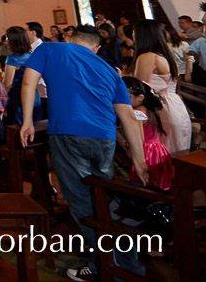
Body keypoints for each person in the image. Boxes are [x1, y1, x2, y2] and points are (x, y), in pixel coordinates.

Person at [20, 25, 148, 282]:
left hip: (70, 133)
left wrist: (27, 121)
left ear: (69, 38)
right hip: (104, 139)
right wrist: (139, 161)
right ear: (96, 47)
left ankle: (108, 267)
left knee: (83, 204)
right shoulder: (108, 69)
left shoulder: (50, 47)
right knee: (103, 200)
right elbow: (129, 118)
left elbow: (28, 82)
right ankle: (125, 264)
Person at [129, 19, 191, 154]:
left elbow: (139, 89)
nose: (132, 35)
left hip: (159, 109)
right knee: (178, 154)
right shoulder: (167, 56)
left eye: (134, 32)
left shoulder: (147, 57)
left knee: (160, 155)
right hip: (175, 105)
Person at [122, 76, 173, 191]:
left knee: (144, 184)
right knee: (158, 182)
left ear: (140, 97)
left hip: (146, 153)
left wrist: (129, 148)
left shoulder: (137, 113)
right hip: (158, 150)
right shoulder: (149, 110)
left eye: (128, 97)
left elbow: (138, 139)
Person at [1, 26, 41, 124]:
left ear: (14, 40)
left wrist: (1, 100)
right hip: (34, 95)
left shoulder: (12, 59)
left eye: (7, 38)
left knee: (17, 128)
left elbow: (7, 84)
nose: (6, 41)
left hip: (19, 97)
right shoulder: (32, 55)